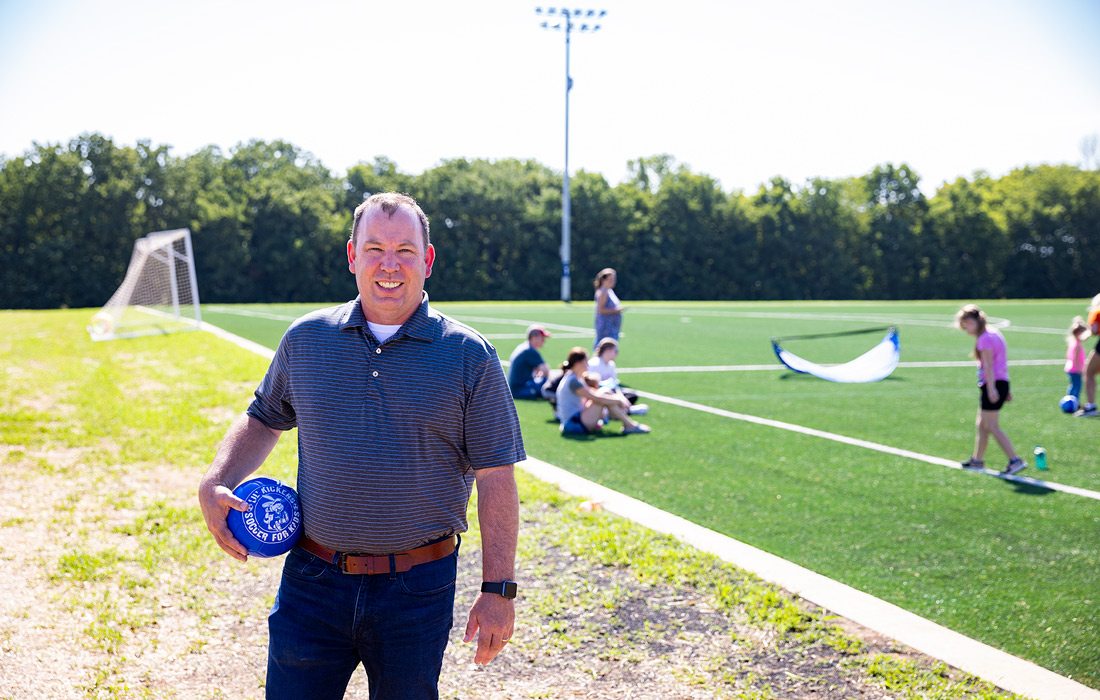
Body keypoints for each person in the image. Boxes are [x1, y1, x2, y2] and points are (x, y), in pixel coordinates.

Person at [198, 193, 524, 700]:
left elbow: (496, 478)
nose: (389, 265)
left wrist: (498, 589)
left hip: (418, 588)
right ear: (352, 256)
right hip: (312, 579)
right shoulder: (306, 339)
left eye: (405, 250)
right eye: (374, 249)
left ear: (428, 259)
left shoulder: (468, 356)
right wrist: (215, 479)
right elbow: (264, 419)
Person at [955, 304, 1026, 475]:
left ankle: (1015, 460)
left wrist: (992, 389)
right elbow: (1000, 363)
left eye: (967, 325)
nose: (966, 330)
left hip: (992, 384)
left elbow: (988, 365)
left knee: (992, 426)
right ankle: (977, 460)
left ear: (976, 321)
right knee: (981, 424)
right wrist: (1004, 389)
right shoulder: (993, 333)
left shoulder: (985, 338)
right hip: (999, 383)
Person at [555, 346, 650, 436]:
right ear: (578, 363)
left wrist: (615, 397)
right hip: (574, 425)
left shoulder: (574, 377)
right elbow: (596, 398)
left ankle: (628, 423)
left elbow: (593, 392)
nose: (587, 365)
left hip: (575, 421)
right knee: (603, 396)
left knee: (605, 392)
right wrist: (618, 400)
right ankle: (629, 424)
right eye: (586, 362)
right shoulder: (573, 381)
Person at [588, 336, 647, 415]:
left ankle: (619, 408)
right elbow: (590, 385)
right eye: (615, 351)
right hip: (599, 393)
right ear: (608, 350)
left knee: (632, 395)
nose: (617, 354)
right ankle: (624, 410)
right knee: (608, 396)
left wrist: (621, 397)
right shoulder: (594, 363)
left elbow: (614, 384)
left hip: (611, 391)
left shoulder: (611, 364)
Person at [508, 324, 551, 399]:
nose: (544, 341)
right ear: (534, 337)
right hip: (521, 390)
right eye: (542, 338)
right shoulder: (530, 351)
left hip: (514, 388)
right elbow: (546, 371)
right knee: (548, 383)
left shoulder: (523, 347)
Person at [1075, 293, 1100, 417]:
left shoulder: (1096, 312)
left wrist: (1082, 335)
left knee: (1088, 372)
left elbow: (1094, 330)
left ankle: (1090, 406)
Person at [593, 267, 625, 346]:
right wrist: (616, 310)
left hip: (612, 326)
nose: (613, 281)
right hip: (606, 328)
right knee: (604, 348)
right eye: (610, 279)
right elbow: (601, 310)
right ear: (604, 280)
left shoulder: (609, 290)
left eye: (613, 279)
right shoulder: (603, 292)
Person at [1065, 316, 1088, 404]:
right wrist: (1080, 370)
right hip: (1075, 370)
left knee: (1073, 386)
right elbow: (1074, 359)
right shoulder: (1077, 345)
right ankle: (1075, 402)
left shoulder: (1073, 342)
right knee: (1077, 387)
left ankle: (1070, 400)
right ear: (1079, 333)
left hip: (1071, 368)